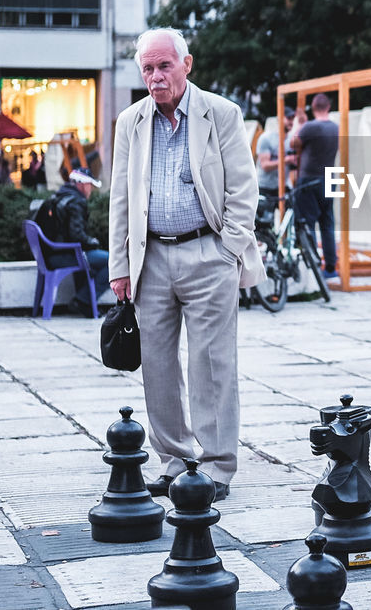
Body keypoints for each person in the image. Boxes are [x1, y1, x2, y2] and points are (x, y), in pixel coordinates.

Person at [109, 27, 260, 503]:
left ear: (186, 65)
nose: (155, 77)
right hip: (149, 257)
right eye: (147, 68)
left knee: (212, 364)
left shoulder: (221, 114)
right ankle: (174, 462)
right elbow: (120, 198)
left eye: (164, 66)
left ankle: (216, 467)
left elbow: (243, 188)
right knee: (156, 365)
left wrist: (228, 249)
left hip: (207, 253)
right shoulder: (130, 121)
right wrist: (120, 265)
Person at [289, 93, 340, 281]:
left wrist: (298, 124)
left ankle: (312, 266)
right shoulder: (335, 128)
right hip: (329, 179)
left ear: (313, 107)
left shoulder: (310, 127)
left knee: (307, 223)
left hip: (309, 180)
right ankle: (331, 268)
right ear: (328, 107)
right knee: (327, 224)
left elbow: (293, 143)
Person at [49, 166, 110, 317]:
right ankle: (84, 301)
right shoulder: (76, 201)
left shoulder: (60, 196)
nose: (91, 190)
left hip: (55, 253)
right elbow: (77, 235)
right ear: (82, 184)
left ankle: (85, 303)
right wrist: (93, 242)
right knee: (112, 262)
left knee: (96, 260)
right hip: (69, 255)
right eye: (90, 186)